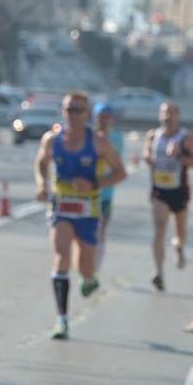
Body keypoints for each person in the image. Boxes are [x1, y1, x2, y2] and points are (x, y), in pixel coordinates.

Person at [34, 91, 126, 340]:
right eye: (69, 110)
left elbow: (120, 172)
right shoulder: (52, 140)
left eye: (78, 110)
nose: (73, 115)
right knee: (61, 257)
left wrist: (96, 183)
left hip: (88, 211)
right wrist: (42, 183)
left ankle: (89, 278)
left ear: (87, 114)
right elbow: (41, 163)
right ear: (62, 111)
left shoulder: (98, 142)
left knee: (85, 266)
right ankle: (62, 319)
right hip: (61, 208)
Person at [143, 101, 193, 291]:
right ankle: (158, 272)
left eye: (171, 113)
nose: (167, 117)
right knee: (160, 229)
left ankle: (179, 246)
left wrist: (178, 156)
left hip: (179, 190)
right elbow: (147, 157)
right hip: (159, 190)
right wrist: (149, 158)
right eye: (164, 113)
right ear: (159, 115)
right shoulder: (153, 136)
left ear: (178, 116)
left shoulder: (186, 138)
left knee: (180, 231)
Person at [92, 101, 124, 277]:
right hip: (85, 195)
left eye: (107, 117)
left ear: (112, 119)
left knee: (101, 232)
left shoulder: (117, 139)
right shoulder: (87, 136)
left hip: (105, 194)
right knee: (85, 234)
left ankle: (95, 270)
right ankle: (87, 265)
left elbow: (117, 167)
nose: (103, 120)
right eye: (100, 116)